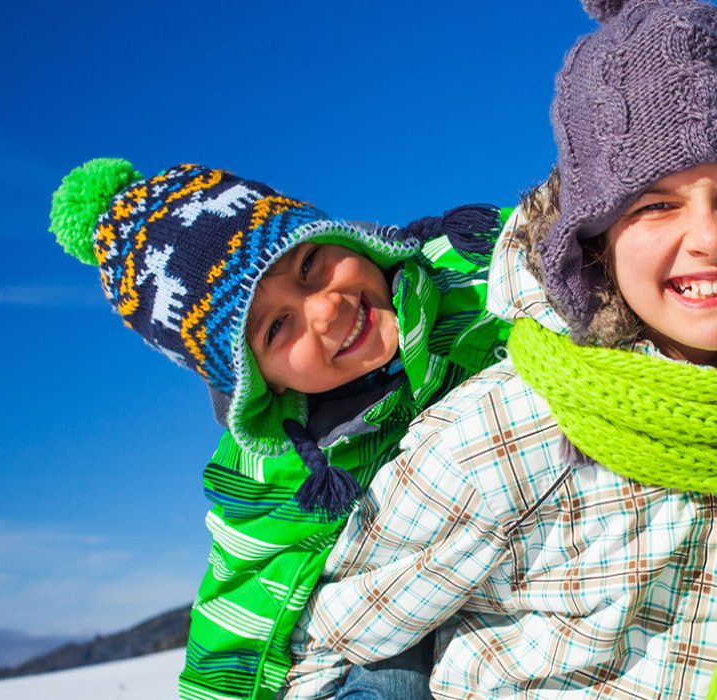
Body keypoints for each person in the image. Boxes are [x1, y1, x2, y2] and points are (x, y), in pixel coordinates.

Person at [284, 0, 717, 697]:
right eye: (655, 205)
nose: (710, 238)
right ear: (594, 247)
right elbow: (343, 645)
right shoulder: (504, 435)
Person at [48, 159, 511, 700]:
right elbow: (239, 605)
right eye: (276, 327)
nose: (326, 309)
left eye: (310, 265)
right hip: (397, 618)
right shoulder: (274, 470)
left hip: (533, 554)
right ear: (255, 381)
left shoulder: (469, 266)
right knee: (387, 676)